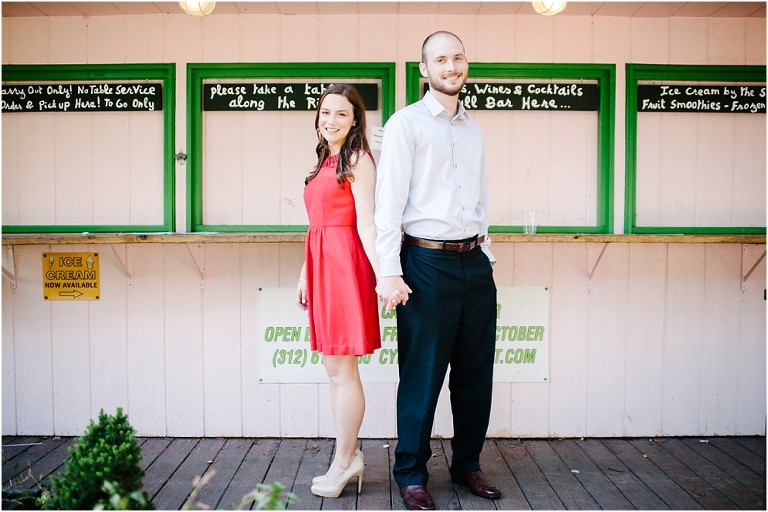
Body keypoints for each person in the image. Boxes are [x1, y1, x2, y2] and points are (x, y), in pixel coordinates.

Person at [374, 31, 501, 510]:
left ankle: (467, 464)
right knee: (422, 375)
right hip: (424, 262)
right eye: (440, 59)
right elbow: (388, 206)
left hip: (474, 262)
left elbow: (482, 196)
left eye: (458, 57)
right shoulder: (406, 124)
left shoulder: (474, 129)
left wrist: (485, 252)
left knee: (475, 374)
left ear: (466, 64)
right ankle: (410, 471)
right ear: (424, 70)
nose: (451, 66)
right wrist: (390, 271)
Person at [297, 83, 380, 499]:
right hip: (322, 266)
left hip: (346, 267)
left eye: (341, 114)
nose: (331, 120)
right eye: (325, 112)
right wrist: (304, 274)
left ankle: (345, 461)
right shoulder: (326, 159)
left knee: (342, 370)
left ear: (355, 120)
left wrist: (385, 275)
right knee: (335, 370)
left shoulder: (358, 159)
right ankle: (344, 459)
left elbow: (366, 223)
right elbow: (316, 225)